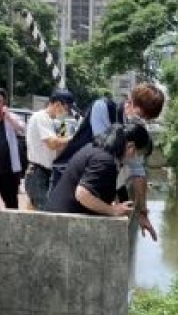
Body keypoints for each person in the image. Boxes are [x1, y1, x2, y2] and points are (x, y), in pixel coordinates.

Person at [81, 83, 166, 240]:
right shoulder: (103, 108)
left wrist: (142, 212)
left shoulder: (136, 127)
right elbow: (105, 151)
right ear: (129, 102)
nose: (141, 121)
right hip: (80, 184)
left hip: (102, 187)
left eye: (146, 119)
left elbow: (138, 170)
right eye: (140, 115)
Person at [42, 122, 153, 218]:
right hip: (64, 221)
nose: (136, 159)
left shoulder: (96, 149)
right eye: (139, 154)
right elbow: (82, 194)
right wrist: (112, 210)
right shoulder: (104, 160)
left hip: (61, 216)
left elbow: (117, 188)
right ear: (131, 147)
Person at [24, 89, 77, 210]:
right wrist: (76, 138)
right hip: (38, 172)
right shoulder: (41, 117)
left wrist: (63, 121)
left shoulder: (53, 120)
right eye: (67, 108)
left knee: (35, 211)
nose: (68, 111)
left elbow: (62, 144)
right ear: (58, 104)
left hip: (45, 172)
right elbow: (53, 143)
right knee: (46, 212)